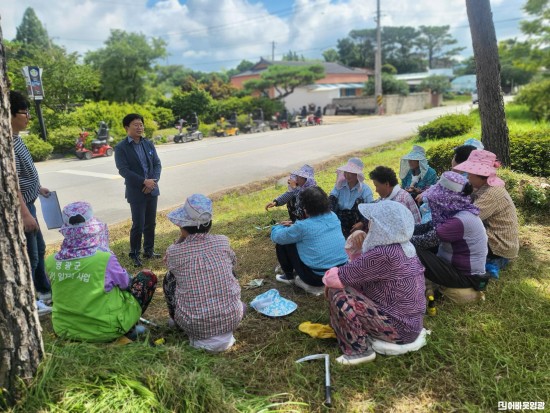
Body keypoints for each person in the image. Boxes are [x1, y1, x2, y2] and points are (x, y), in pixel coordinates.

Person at [323, 202, 426, 365]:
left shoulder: (382, 254)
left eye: (371, 221)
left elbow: (335, 278)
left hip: (399, 328)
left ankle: (359, 350)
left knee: (337, 292)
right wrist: (361, 250)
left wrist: (355, 252)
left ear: (381, 226)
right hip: (411, 324)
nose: (368, 224)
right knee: (348, 285)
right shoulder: (404, 246)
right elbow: (361, 274)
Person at [45, 201, 157, 342]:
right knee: (146, 277)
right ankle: (129, 328)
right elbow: (126, 284)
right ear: (93, 227)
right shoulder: (104, 259)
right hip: (106, 329)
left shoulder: (50, 261)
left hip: (64, 329)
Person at [163, 194, 244, 352]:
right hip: (232, 319)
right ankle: (231, 309)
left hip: (194, 325)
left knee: (169, 278)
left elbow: (171, 267)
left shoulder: (174, 252)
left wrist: (182, 238)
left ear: (182, 226)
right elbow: (233, 264)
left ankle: (176, 319)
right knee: (229, 271)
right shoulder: (222, 241)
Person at [411, 172, 489, 301]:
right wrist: (403, 228)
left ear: (446, 199)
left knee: (413, 250)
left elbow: (422, 241)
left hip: (465, 276)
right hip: (457, 268)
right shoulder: (456, 213)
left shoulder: (458, 221)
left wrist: (396, 237)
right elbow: (425, 228)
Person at [10, 91, 52, 316]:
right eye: (24, 112)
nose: (28, 116)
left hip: (30, 203)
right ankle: (32, 300)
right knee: (30, 256)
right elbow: (11, 183)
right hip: (22, 209)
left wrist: (38, 187)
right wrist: (25, 214)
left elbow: (25, 176)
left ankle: (44, 291)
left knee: (40, 249)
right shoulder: (7, 144)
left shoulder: (17, 138)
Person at [271, 187, 348, 295]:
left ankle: (289, 276)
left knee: (284, 242)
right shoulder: (333, 216)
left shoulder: (303, 226)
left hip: (316, 277)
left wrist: (278, 227)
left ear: (305, 207)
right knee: (294, 237)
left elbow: (277, 237)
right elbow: (316, 229)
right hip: (341, 271)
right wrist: (293, 227)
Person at [454, 150, 519, 270]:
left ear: (481, 175)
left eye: (470, 173)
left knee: (458, 240)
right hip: (492, 235)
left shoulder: (492, 193)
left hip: (499, 246)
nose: (467, 176)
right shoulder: (483, 188)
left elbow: (467, 219)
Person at [115, 113, 162, 267]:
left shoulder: (148, 144)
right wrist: (144, 182)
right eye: (135, 124)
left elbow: (157, 164)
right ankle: (134, 253)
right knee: (138, 224)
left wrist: (152, 183)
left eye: (141, 124)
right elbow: (124, 170)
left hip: (152, 189)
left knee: (151, 223)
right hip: (136, 192)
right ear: (126, 128)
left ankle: (149, 250)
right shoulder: (121, 148)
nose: (139, 127)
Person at [329, 157, 374, 237]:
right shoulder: (339, 186)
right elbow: (331, 200)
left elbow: (371, 209)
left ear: (357, 174)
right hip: (339, 220)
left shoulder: (365, 190)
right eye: (346, 172)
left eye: (351, 173)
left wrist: (362, 223)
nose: (347, 175)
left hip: (356, 223)